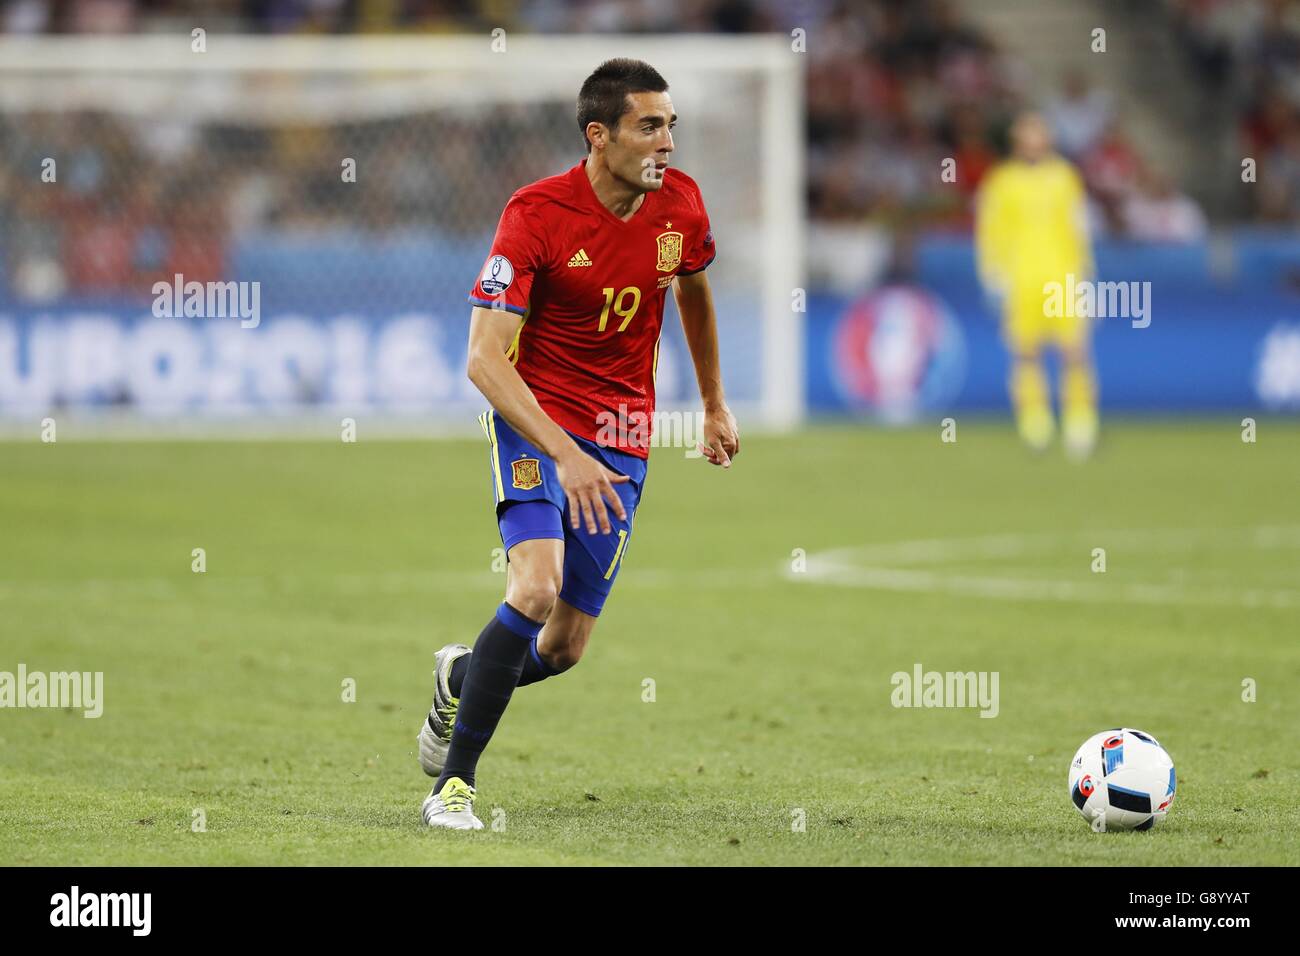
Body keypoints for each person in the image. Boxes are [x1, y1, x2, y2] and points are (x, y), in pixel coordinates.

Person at [418, 58, 740, 829]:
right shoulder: (535, 215)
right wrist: (563, 451)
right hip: (538, 423)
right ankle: (451, 788)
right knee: (532, 588)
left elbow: (692, 286)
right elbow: (482, 358)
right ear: (600, 135)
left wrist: (714, 402)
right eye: (649, 126)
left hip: (625, 435)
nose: (666, 142)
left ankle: (463, 676)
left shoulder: (682, 206)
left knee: (562, 647)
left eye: (671, 126)